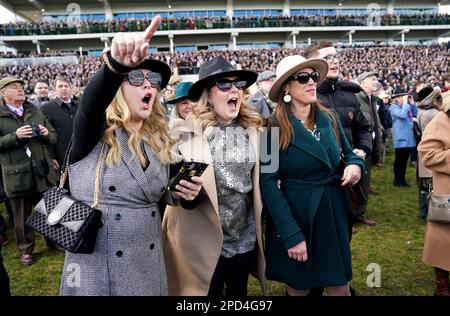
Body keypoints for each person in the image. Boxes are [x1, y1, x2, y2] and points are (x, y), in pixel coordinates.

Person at [59, 16, 202, 296]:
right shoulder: (92, 133)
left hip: (147, 264)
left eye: (154, 81)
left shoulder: (161, 141)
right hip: (98, 264)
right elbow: (91, 105)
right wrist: (115, 66)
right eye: (136, 77)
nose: (148, 86)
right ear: (116, 89)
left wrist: (190, 193)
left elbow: (177, 192)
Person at [260, 55, 365, 296]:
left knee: (339, 285)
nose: (312, 83)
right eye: (303, 77)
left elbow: (350, 154)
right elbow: (268, 185)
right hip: (297, 216)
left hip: (332, 211)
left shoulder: (328, 117)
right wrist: (291, 234)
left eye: (314, 76)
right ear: (286, 85)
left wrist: (356, 166)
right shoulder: (271, 128)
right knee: (300, 287)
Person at [162, 56, 266, 296]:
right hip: (203, 239)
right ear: (208, 95)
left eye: (238, 85)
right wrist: (186, 194)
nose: (234, 90)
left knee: (239, 293)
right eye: (224, 85)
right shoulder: (185, 133)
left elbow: (266, 181)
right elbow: (171, 189)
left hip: (243, 237)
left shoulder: (257, 131)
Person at [304, 41, 373, 229]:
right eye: (327, 58)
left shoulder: (350, 94)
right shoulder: (304, 98)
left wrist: (362, 150)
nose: (334, 62)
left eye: (335, 56)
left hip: (351, 167)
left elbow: (363, 128)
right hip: (321, 176)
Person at [0, 76, 57, 266]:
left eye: (21, 87)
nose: (20, 90)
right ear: (3, 93)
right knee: (21, 218)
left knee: (49, 210)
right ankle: (26, 250)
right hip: (18, 175)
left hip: (42, 171)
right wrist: (14, 137)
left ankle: (53, 240)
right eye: (14, 87)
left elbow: (53, 136)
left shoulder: (34, 110)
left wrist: (47, 134)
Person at [418, 90, 450, 296]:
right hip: (447, 194)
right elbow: (427, 154)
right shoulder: (441, 120)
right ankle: (442, 285)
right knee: (443, 240)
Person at [353, 71, 383, 226]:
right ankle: (349, 217)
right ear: (363, 82)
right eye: (372, 79)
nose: (376, 82)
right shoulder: (356, 97)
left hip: (368, 147)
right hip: (358, 148)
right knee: (354, 184)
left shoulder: (372, 99)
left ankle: (360, 214)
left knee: (365, 183)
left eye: (377, 79)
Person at [41, 76, 80, 173]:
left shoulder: (80, 105)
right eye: (60, 86)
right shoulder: (46, 108)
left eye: (66, 86)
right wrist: (51, 157)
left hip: (83, 154)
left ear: (71, 88)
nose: (64, 89)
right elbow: (46, 135)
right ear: (54, 90)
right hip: (61, 156)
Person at [416, 86, 442, 221]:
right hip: (433, 150)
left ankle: (423, 211)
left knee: (423, 184)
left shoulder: (421, 111)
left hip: (423, 149)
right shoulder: (434, 114)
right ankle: (430, 212)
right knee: (431, 184)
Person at [389, 89, 416, 187]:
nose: (405, 99)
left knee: (404, 160)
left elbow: (415, 113)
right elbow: (402, 115)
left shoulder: (406, 106)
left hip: (408, 137)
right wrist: (405, 103)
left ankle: (402, 179)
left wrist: (412, 103)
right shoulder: (393, 107)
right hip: (401, 138)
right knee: (399, 159)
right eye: (402, 97)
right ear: (397, 98)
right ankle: (397, 180)